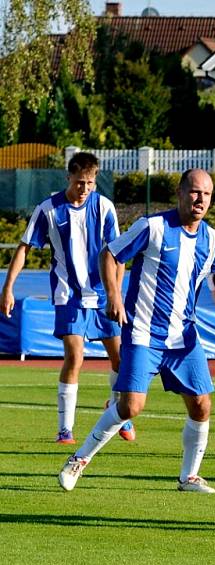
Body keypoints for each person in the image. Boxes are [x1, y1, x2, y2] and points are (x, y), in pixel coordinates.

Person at [57, 168, 215, 494]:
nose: (200, 200)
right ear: (180, 193)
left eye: (207, 195)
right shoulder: (153, 226)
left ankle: (189, 477)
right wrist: (114, 295)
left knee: (202, 404)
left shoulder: (212, 239)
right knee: (131, 407)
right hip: (143, 332)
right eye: (195, 192)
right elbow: (110, 253)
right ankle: (79, 460)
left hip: (183, 337)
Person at [1, 152, 135, 444]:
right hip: (68, 295)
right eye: (79, 182)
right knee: (74, 356)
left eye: (89, 183)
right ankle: (65, 429)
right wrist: (8, 288)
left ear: (95, 181)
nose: (84, 189)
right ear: (68, 178)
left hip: (102, 296)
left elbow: (120, 254)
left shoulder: (104, 207)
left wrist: (116, 294)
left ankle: (118, 412)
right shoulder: (48, 209)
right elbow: (24, 248)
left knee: (121, 359)